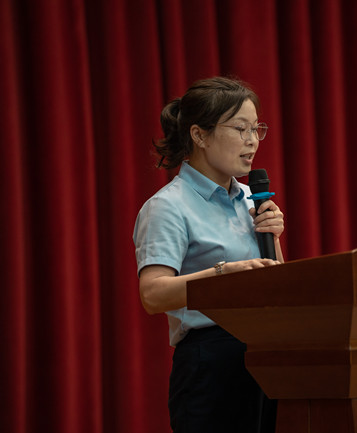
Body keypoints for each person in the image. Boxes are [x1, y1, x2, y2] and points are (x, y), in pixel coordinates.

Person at [133, 76, 284, 433]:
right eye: (240, 128)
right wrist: (222, 275)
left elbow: (275, 283)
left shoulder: (250, 198)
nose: (252, 140)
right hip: (212, 363)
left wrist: (273, 238)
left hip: (268, 356)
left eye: (256, 129)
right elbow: (152, 295)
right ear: (200, 135)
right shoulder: (168, 206)